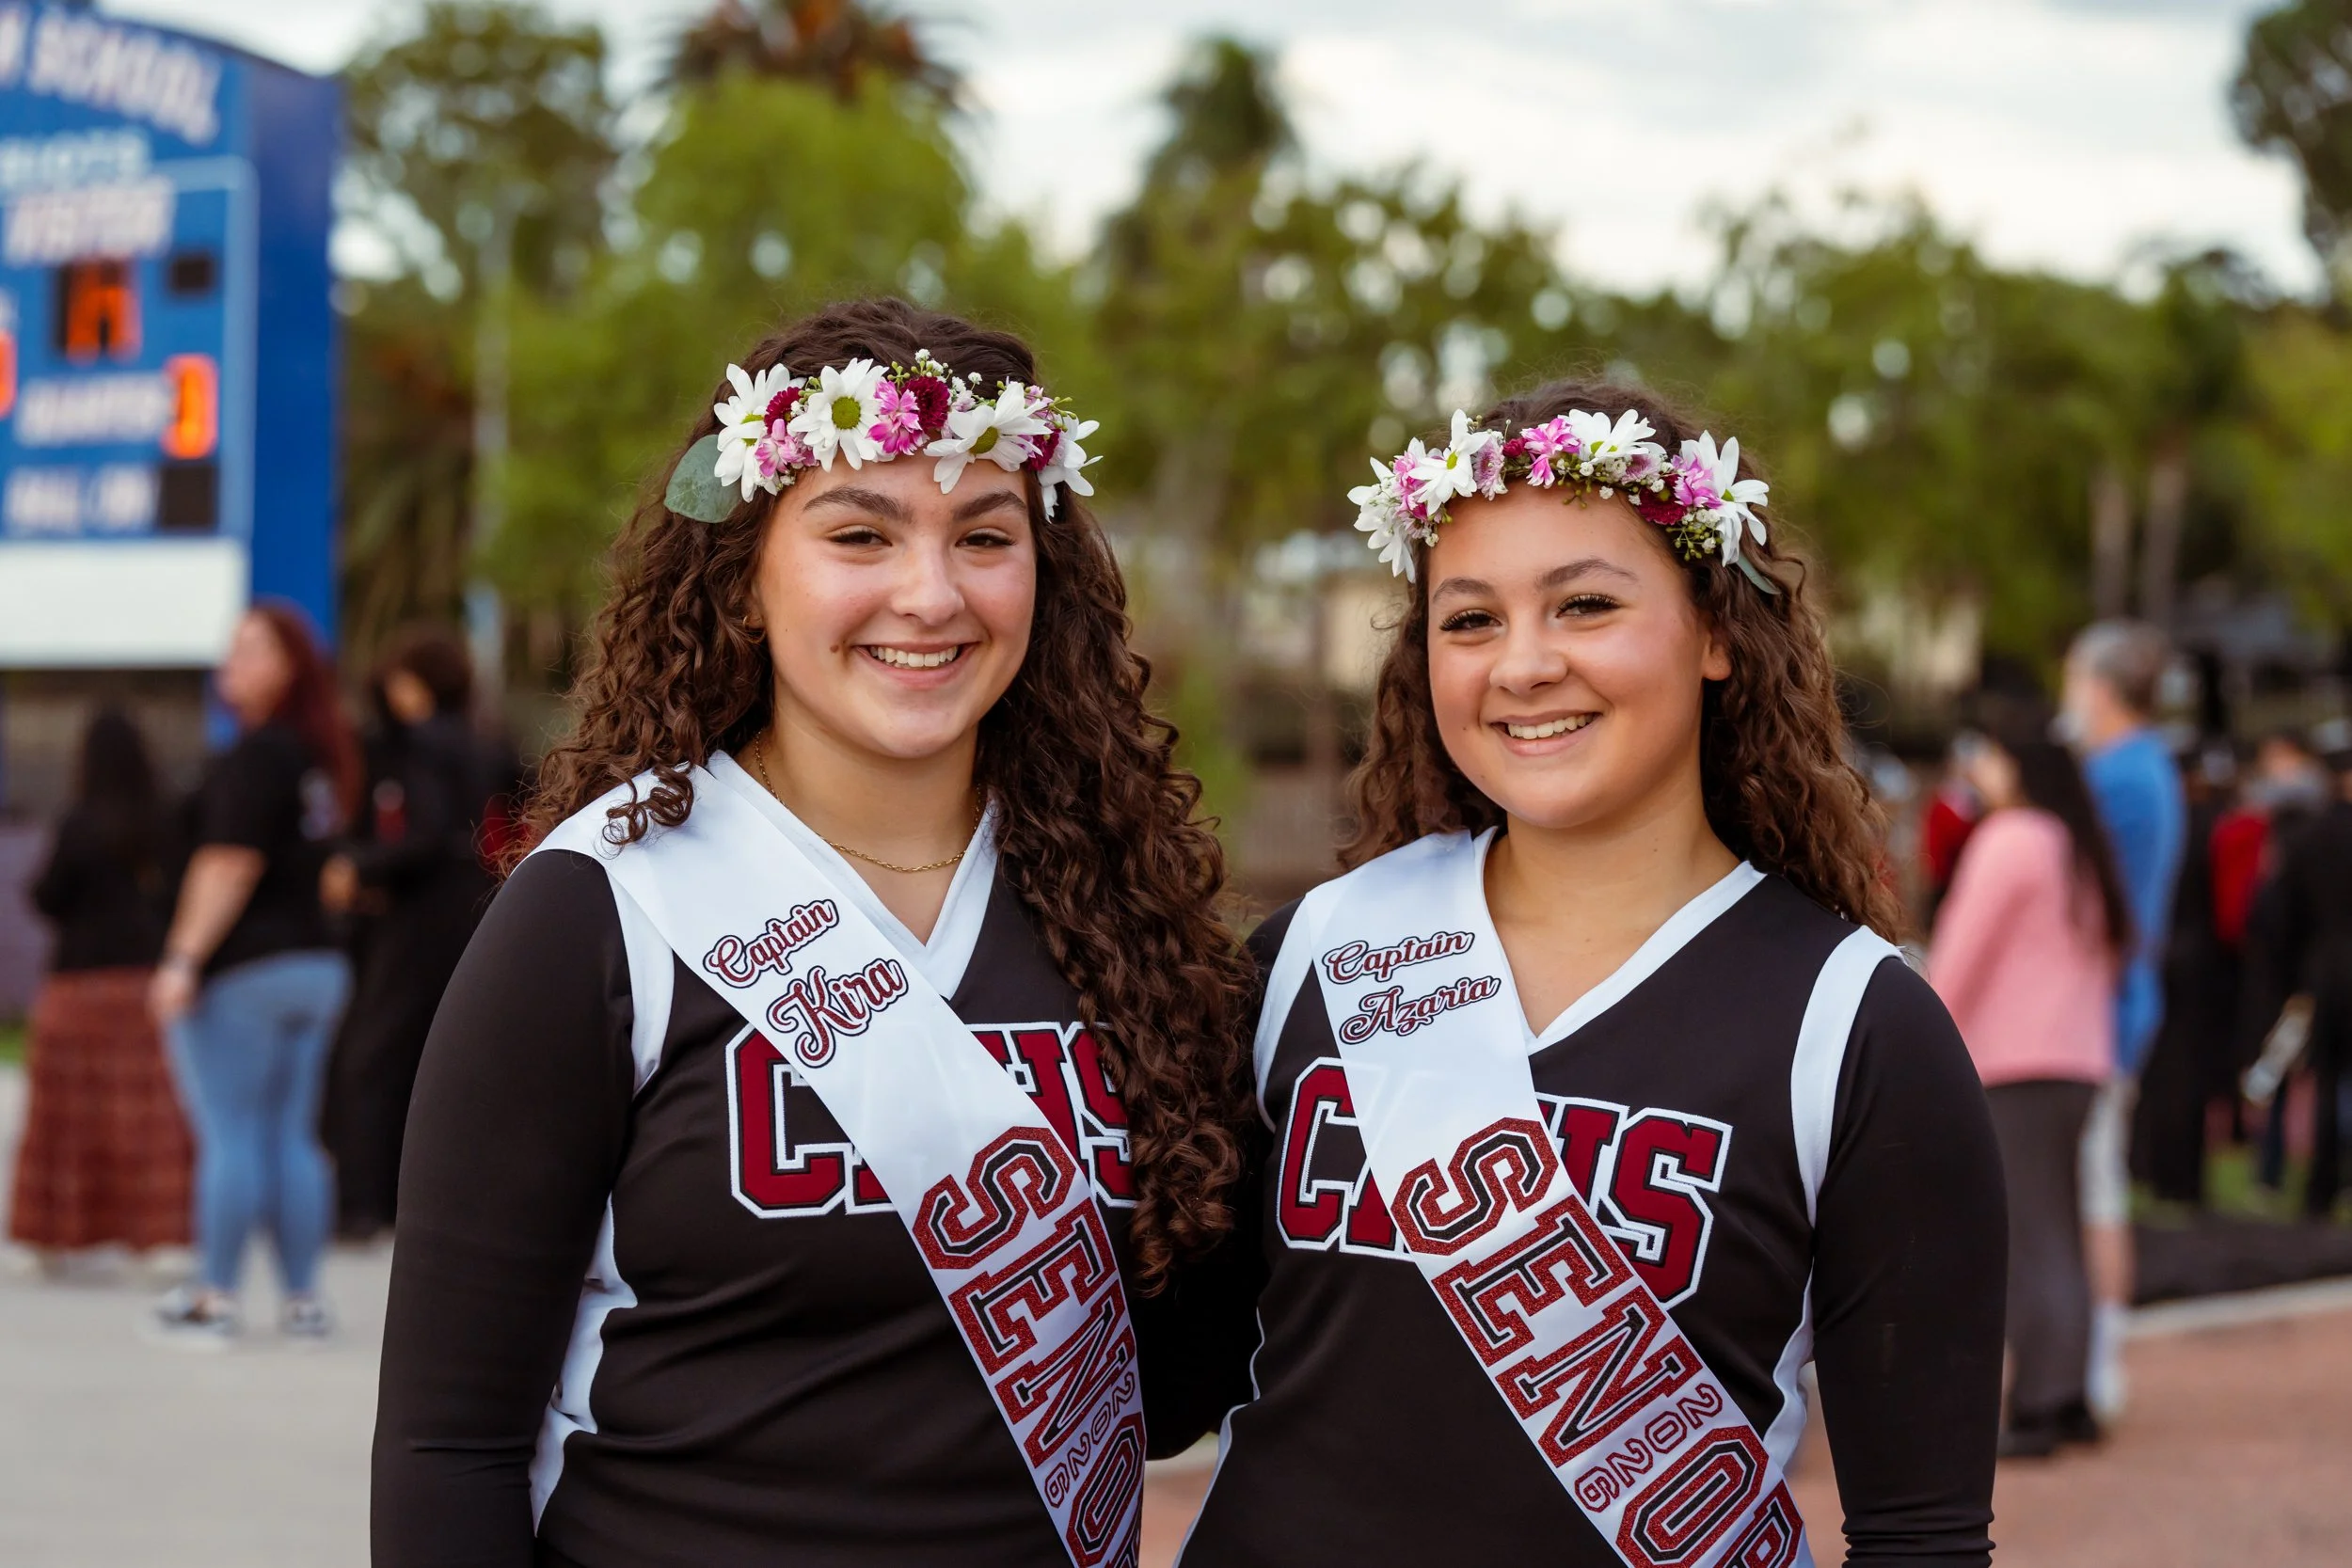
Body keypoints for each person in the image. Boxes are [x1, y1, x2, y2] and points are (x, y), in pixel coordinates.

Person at [372, 299, 1257, 1567]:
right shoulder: (604, 905)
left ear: (1041, 570)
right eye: (860, 531)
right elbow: (446, 1445)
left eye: (985, 534)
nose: (930, 592)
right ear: (745, 570)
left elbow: (1167, 1384)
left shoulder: (1121, 909)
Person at [1179, 385, 2006, 1566]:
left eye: (1584, 604)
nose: (1522, 664)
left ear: (1717, 631)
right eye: (1469, 621)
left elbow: (1918, 1534)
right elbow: (1162, 1387)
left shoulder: (1854, 1024)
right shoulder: (1314, 952)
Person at [148, 603, 360, 1343]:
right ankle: (303, 1299)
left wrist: (181, 959)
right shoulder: (320, 760)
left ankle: (215, 1295)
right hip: (319, 966)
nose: (228, 665)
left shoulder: (259, 754)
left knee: (233, 1133)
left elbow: (229, 863)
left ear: (290, 666)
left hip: (248, 972)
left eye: (248, 650)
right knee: (293, 1136)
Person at [1928, 705, 2131, 1456]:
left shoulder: (2009, 839)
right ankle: (2068, 1392)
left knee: (2028, 1234)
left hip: (2015, 1062)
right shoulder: (2073, 842)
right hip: (2078, 1060)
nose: (1976, 768)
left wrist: (1920, 1034)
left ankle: (2042, 1402)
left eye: (1985, 754)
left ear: (2017, 765)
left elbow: (1958, 956)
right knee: (2062, 1231)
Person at [320, 626, 496, 1239]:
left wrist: (360, 866)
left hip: (417, 916)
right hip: (475, 913)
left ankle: (365, 1201)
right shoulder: (485, 743)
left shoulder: (416, 747)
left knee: (374, 1055)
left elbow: (424, 831)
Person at [8, 709, 191, 1264]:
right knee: (146, 1119)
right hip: (143, 982)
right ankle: (157, 1237)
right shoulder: (164, 822)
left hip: (76, 986)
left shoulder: (77, 822)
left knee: (66, 1121)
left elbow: (47, 897)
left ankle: (52, 1238)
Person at [2059, 619, 2184, 1418]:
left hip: (2097, 1013)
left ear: (2101, 688)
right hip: (2115, 1006)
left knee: (2093, 1188)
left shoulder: (2118, 777)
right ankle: (2090, 1355)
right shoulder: (2145, 768)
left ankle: (2097, 1361)